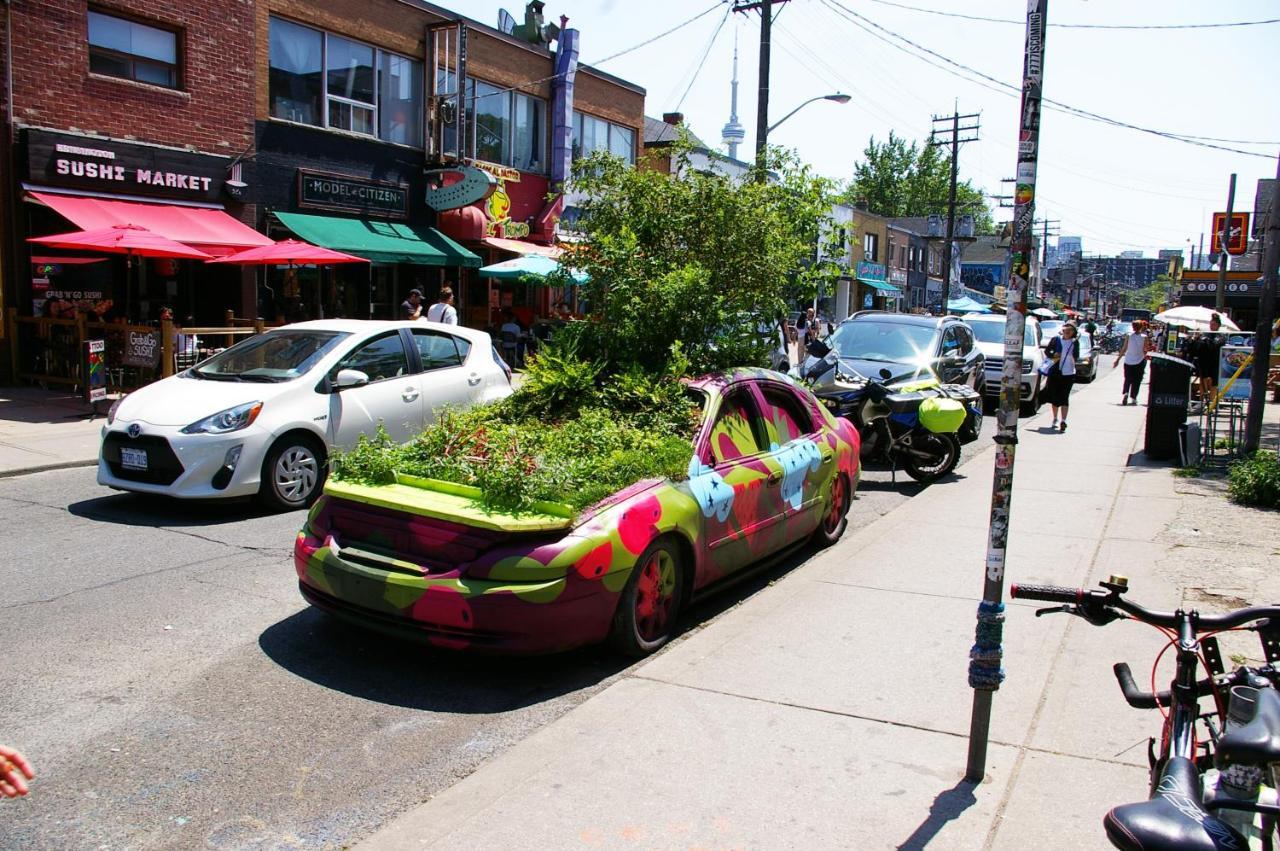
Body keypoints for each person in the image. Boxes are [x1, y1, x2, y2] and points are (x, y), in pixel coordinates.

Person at [1043, 322, 1080, 431]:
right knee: (1055, 397)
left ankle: (1063, 420)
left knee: (1064, 397)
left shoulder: (1074, 342)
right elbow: (1047, 351)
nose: (1066, 333)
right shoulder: (1056, 340)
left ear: (1073, 332)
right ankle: (1055, 418)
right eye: (1065, 330)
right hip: (1055, 372)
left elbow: (1076, 356)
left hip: (1069, 373)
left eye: (1069, 331)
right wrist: (1053, 354)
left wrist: (1073, 353)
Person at [1114, 319, 1152, 405]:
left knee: (1127, 378)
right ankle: (1134, 397)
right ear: (1141, 327)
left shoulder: (1129, 336)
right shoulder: (1144, 337)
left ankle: (1126, 392)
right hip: (1140, 361)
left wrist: (1117, 359)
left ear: (1133, 327)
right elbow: (1146, 349)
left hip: (1128, 361)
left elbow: (1124, 348)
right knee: (1137, 380)